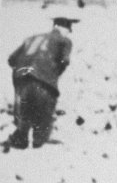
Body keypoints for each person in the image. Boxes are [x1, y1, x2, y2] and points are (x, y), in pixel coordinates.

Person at [4, 10, 77, 151]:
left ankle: (21, 139)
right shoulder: (64, 40)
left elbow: (12, 59)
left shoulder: (32, 38)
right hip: (44, 82)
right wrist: (53, 74)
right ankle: (39, 146)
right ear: (63, 28)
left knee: (24, 114)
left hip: (22, 81)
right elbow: (64, 61)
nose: (69, 32)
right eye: (69, 29)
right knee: (43, 117)